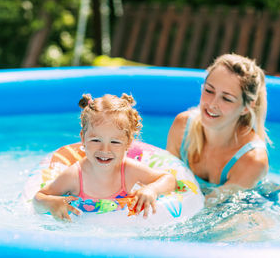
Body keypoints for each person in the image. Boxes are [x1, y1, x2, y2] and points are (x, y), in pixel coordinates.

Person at [34, 93, 176, 221]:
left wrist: (152, 189)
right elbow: (38, 198)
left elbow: (169, 179)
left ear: (128, 143)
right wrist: (53, 202)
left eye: (115, 142)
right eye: (96, 140)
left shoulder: (129, 170)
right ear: (83, 139)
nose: (105, 149)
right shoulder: (74, 176)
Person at [166, 53, 270, 201]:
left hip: (249, 205)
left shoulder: (252, 160)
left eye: (227, 98)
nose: (212, 103)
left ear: (246, 108)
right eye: (209, 90)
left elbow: (213, 209)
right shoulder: (182, 127)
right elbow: (165, 175)